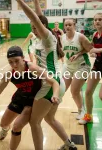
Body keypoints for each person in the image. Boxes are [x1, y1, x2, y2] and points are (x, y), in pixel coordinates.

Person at [16, 0, 77, 150]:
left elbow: (36, 18)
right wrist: (37, 2)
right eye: (32, 28)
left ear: (42, 27)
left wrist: (19, 2)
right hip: (57, 82)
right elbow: (39, 17)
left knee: (34, 122)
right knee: (49, 118)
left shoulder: (47, 37)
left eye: (36, 27)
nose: (34, 30)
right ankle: (70, 145)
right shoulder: (41, 37)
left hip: (49, 84)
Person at [0, 46, 61, 150]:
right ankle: (5, 129)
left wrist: (55, 95)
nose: (14, 64)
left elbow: (54, 82)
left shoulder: (32, 68)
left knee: (16, 126)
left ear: (23, 58)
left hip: (32, 101)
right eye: (10, 62)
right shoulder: (9, 74)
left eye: (16, 61)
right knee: (3, 123)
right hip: (19, 97)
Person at [61, 18, 93, 120]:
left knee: (74, 90)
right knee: (61, 88)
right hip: (68, 66)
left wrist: (78, 54)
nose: (68, 27)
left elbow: (90, 48)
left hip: (82, 65)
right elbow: (62, 51)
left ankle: (81, 110)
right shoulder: (62, 37)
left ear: (74, 25)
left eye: (70, 25)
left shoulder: (80, 37)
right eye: (66, 25)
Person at [79, 13, 102, 125]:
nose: (97, 21)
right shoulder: (95, 35)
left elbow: (96, 50)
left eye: (100, 19)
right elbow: (90, 48)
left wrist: (97, 51)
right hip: (98, 65)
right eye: (95, 20)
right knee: (88, 92)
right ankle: (88, 116)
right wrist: (79, 53)